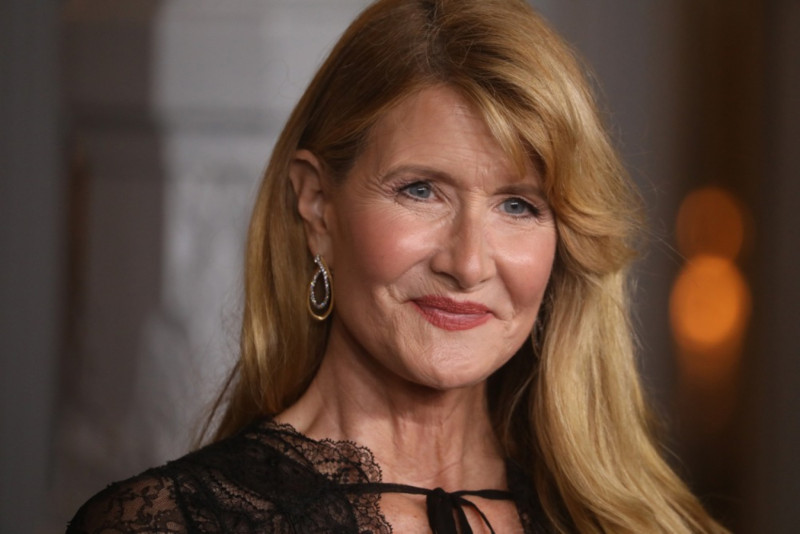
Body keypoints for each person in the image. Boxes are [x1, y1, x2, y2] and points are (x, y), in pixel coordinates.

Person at [67, 0, 729, 532]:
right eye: (420, 190)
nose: (467, 263)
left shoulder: (637, 523)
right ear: (318, 205)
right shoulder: (167, 523)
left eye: (519, 205)